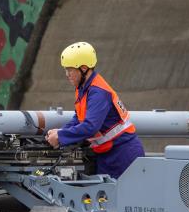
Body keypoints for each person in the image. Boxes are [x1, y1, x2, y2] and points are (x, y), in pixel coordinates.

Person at [45, 42, 144, 179]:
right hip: (107, 154)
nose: (67, 74)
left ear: (84, 68)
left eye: (70, 70)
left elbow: (91, 126)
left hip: (123, 156)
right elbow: (79, 118)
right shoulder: (84, 88)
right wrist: (61, 131)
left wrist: (61, 137)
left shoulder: (98, 92)